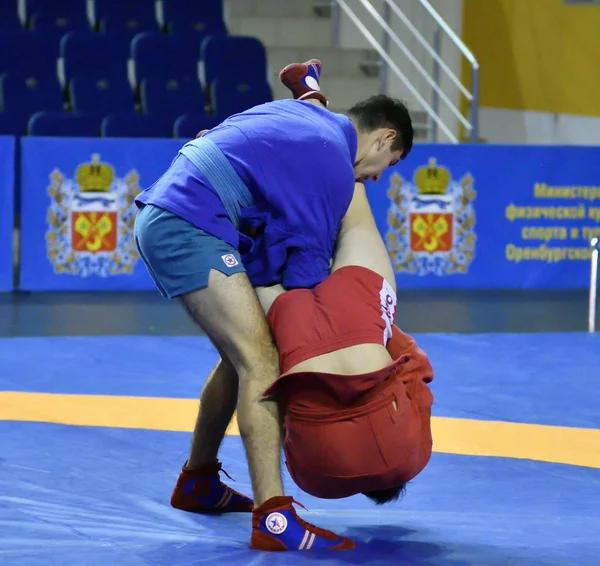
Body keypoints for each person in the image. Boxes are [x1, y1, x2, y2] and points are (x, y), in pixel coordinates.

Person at [134, 58, 414, 551]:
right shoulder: (331, 162)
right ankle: (274, 519)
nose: (371, 180)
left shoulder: (315, 120)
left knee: (239, 355)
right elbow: (304, 287)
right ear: (384, 139)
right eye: (385, 168)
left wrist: (306, 84)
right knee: (261, 361)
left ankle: (198, 481)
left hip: (182, 209)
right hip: (188, 222)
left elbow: (308, 102)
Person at [256, 182, 434, 509]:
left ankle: (349, 156)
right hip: (293, 333)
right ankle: (231, 170)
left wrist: (383, 331)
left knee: (356, 215)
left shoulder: (413, 456)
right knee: (251, 255)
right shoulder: (315, 482)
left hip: (358, 316)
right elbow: (281, 421)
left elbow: (415, 372)